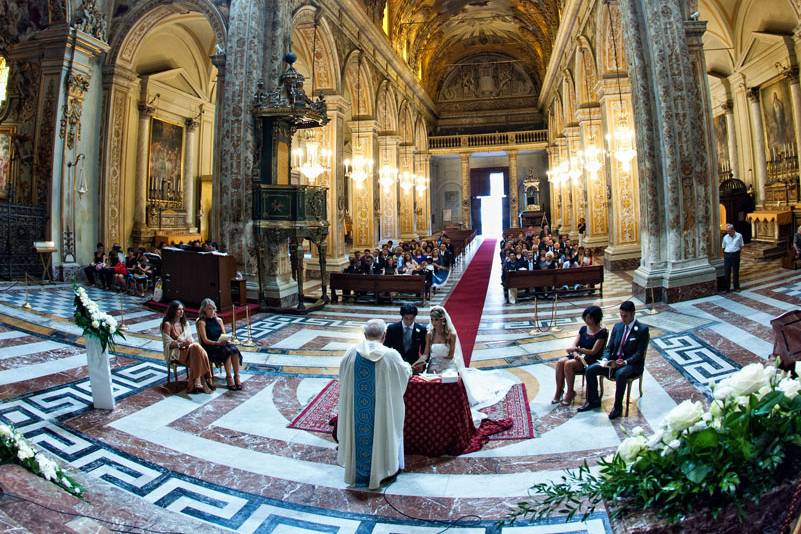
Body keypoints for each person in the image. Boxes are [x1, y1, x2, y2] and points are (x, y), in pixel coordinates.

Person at [337, 319, 412, 490]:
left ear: (364, 335)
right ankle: (381, 470)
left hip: (358, 413)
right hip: (381, 410)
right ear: (384, 336)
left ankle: (358, 472)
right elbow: (402, 375)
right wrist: (408, 367)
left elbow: (342, 377)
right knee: (383, 432)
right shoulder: (391, 355)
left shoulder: (350, 353)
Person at [422, 306, 516, 419]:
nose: (433, 323)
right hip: (433, 364)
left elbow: (451, 356)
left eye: (436, 320)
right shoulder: (429, 334)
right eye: (432, 320)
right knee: (429, 382)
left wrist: (440, 367)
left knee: (449, 380)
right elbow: (425, 354)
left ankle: (451, 407)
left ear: (443, 320)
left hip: (448, 364)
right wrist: (419, 362)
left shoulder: (451, 335)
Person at [579, 301, 650, 420]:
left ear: (633, 313)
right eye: (621, 315)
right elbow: (609, 347)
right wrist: (606, 358)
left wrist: (626, 362)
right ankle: (593, 401)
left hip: (631, 364)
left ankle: (617, 408)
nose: (622, 318)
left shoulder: (642, 330)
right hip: (613, 362)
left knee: (620, 374)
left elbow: (639, 354)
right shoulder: (618, 326)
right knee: (591, 369)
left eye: (625, 316)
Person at [552, 306, 608, 406]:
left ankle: (570, 393)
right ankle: (559, 391)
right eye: (586, 318)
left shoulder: (602, 332)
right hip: (578, 356)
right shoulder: (583, 329)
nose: (587, 320)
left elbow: (593, 351)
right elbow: (574, 345)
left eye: (589, 318)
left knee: (569, 364)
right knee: (560, 362)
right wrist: (575, 353)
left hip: (591, 359)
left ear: (596, 318)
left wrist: (577, 350)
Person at [161, 301, 215, 394]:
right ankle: (205, 380)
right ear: (173, 311)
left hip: (189, 351)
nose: (182, 312)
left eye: (182, 309)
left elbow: (190, 339)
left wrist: (187, 343)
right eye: (179, 309)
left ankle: (197, 382)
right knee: (196, 347)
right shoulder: (167, 324)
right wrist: (182, 344)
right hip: (175, 353)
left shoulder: (185, 324)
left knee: (195, 348)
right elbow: (168, 344)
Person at [196, 298, 244, 390]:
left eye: (213, 308)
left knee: (234, 350)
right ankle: (229, 377)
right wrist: (217, 343)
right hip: (210, 346)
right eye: (209, 309)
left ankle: (237, 376)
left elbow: (223, 334)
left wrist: (227, 340)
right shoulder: (202, 322)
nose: (212, 311)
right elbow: (205, 340)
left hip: (221, 343)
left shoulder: (219, 320)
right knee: (227, 352)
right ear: (204, 310)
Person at [384, 304, 427, 371]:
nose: (409, 321)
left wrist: (421, 363)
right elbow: (386, 348)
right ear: (402, 316)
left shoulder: (422, 330)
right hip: (396, 364)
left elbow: (425, 351)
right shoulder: (392, 329)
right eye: (406, 318)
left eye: (411, 319)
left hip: (414, 365)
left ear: (415, 317)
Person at [722, 223, 744, 292]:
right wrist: (726, 254)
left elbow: (741, 245)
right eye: (727, 231)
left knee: (735, 272)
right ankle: (727, 288)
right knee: (727, 272)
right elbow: (723, 247)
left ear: (733, 230)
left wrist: (736, 252)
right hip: (727, 255)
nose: (728, 232)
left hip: (735, 255)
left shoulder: (739, 235)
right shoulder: (725, 237)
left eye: (729, 231)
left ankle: (736, 287)